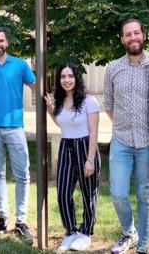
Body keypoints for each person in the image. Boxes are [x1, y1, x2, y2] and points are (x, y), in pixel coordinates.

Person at [103, 19, 149, 254]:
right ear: (122, 39)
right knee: (118, 194)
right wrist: (123, 125)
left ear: (144, 36)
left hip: (147, 143)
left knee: (145, 194)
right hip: (120, 142)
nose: (132, 38)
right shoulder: (112, 68)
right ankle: (129, 233)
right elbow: (109, 104)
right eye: (127, 34)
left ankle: (143, 245)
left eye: (136, 33)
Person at [0, 26, 36, 245]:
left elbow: (35, 85)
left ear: (7, 43)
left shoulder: (20, 65)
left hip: (15, 128)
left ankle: (21, 221)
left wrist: (50, 101)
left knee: (22, 175)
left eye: (1, 40)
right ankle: (2, 216)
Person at [44, 63, 100, 252]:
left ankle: (85, 232)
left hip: (85, 147)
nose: (66, 80)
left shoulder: (89, 101)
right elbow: (63, 124)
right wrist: (51, 109)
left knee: (88, 194)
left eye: (70, 76)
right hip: (66, 147)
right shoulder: (60, 102)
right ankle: (70, 231)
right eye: (62, 77)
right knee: (62, 192)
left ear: (77, 78)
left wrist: (90, 159)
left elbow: (93, 132)